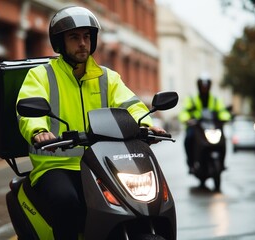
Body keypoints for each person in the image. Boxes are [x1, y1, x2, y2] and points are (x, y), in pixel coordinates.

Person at [16, 6, 166, 239]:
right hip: (57, 165)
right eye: (74, 37)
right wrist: (39, 131)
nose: (82, 43)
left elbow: (130, 104)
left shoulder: (108, 77)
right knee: (66, 202)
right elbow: (29, 110)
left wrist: (146, 124)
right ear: (59, 43)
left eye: (87, 36)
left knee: (134, 201)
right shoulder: (41, 75)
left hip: (103, 163)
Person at [178, 73, 231, 173]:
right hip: (196, 126)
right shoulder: (192, 99)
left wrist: (225, 118)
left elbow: (222, 111)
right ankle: (191, 164)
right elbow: (184, 111)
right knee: (189, 138)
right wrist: (186, 119)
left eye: (206, 86)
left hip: (212, 126)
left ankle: (222, 163)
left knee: (223, 140)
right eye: (202, 86)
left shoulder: (215, 99)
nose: (204, 88)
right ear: (199, 86)